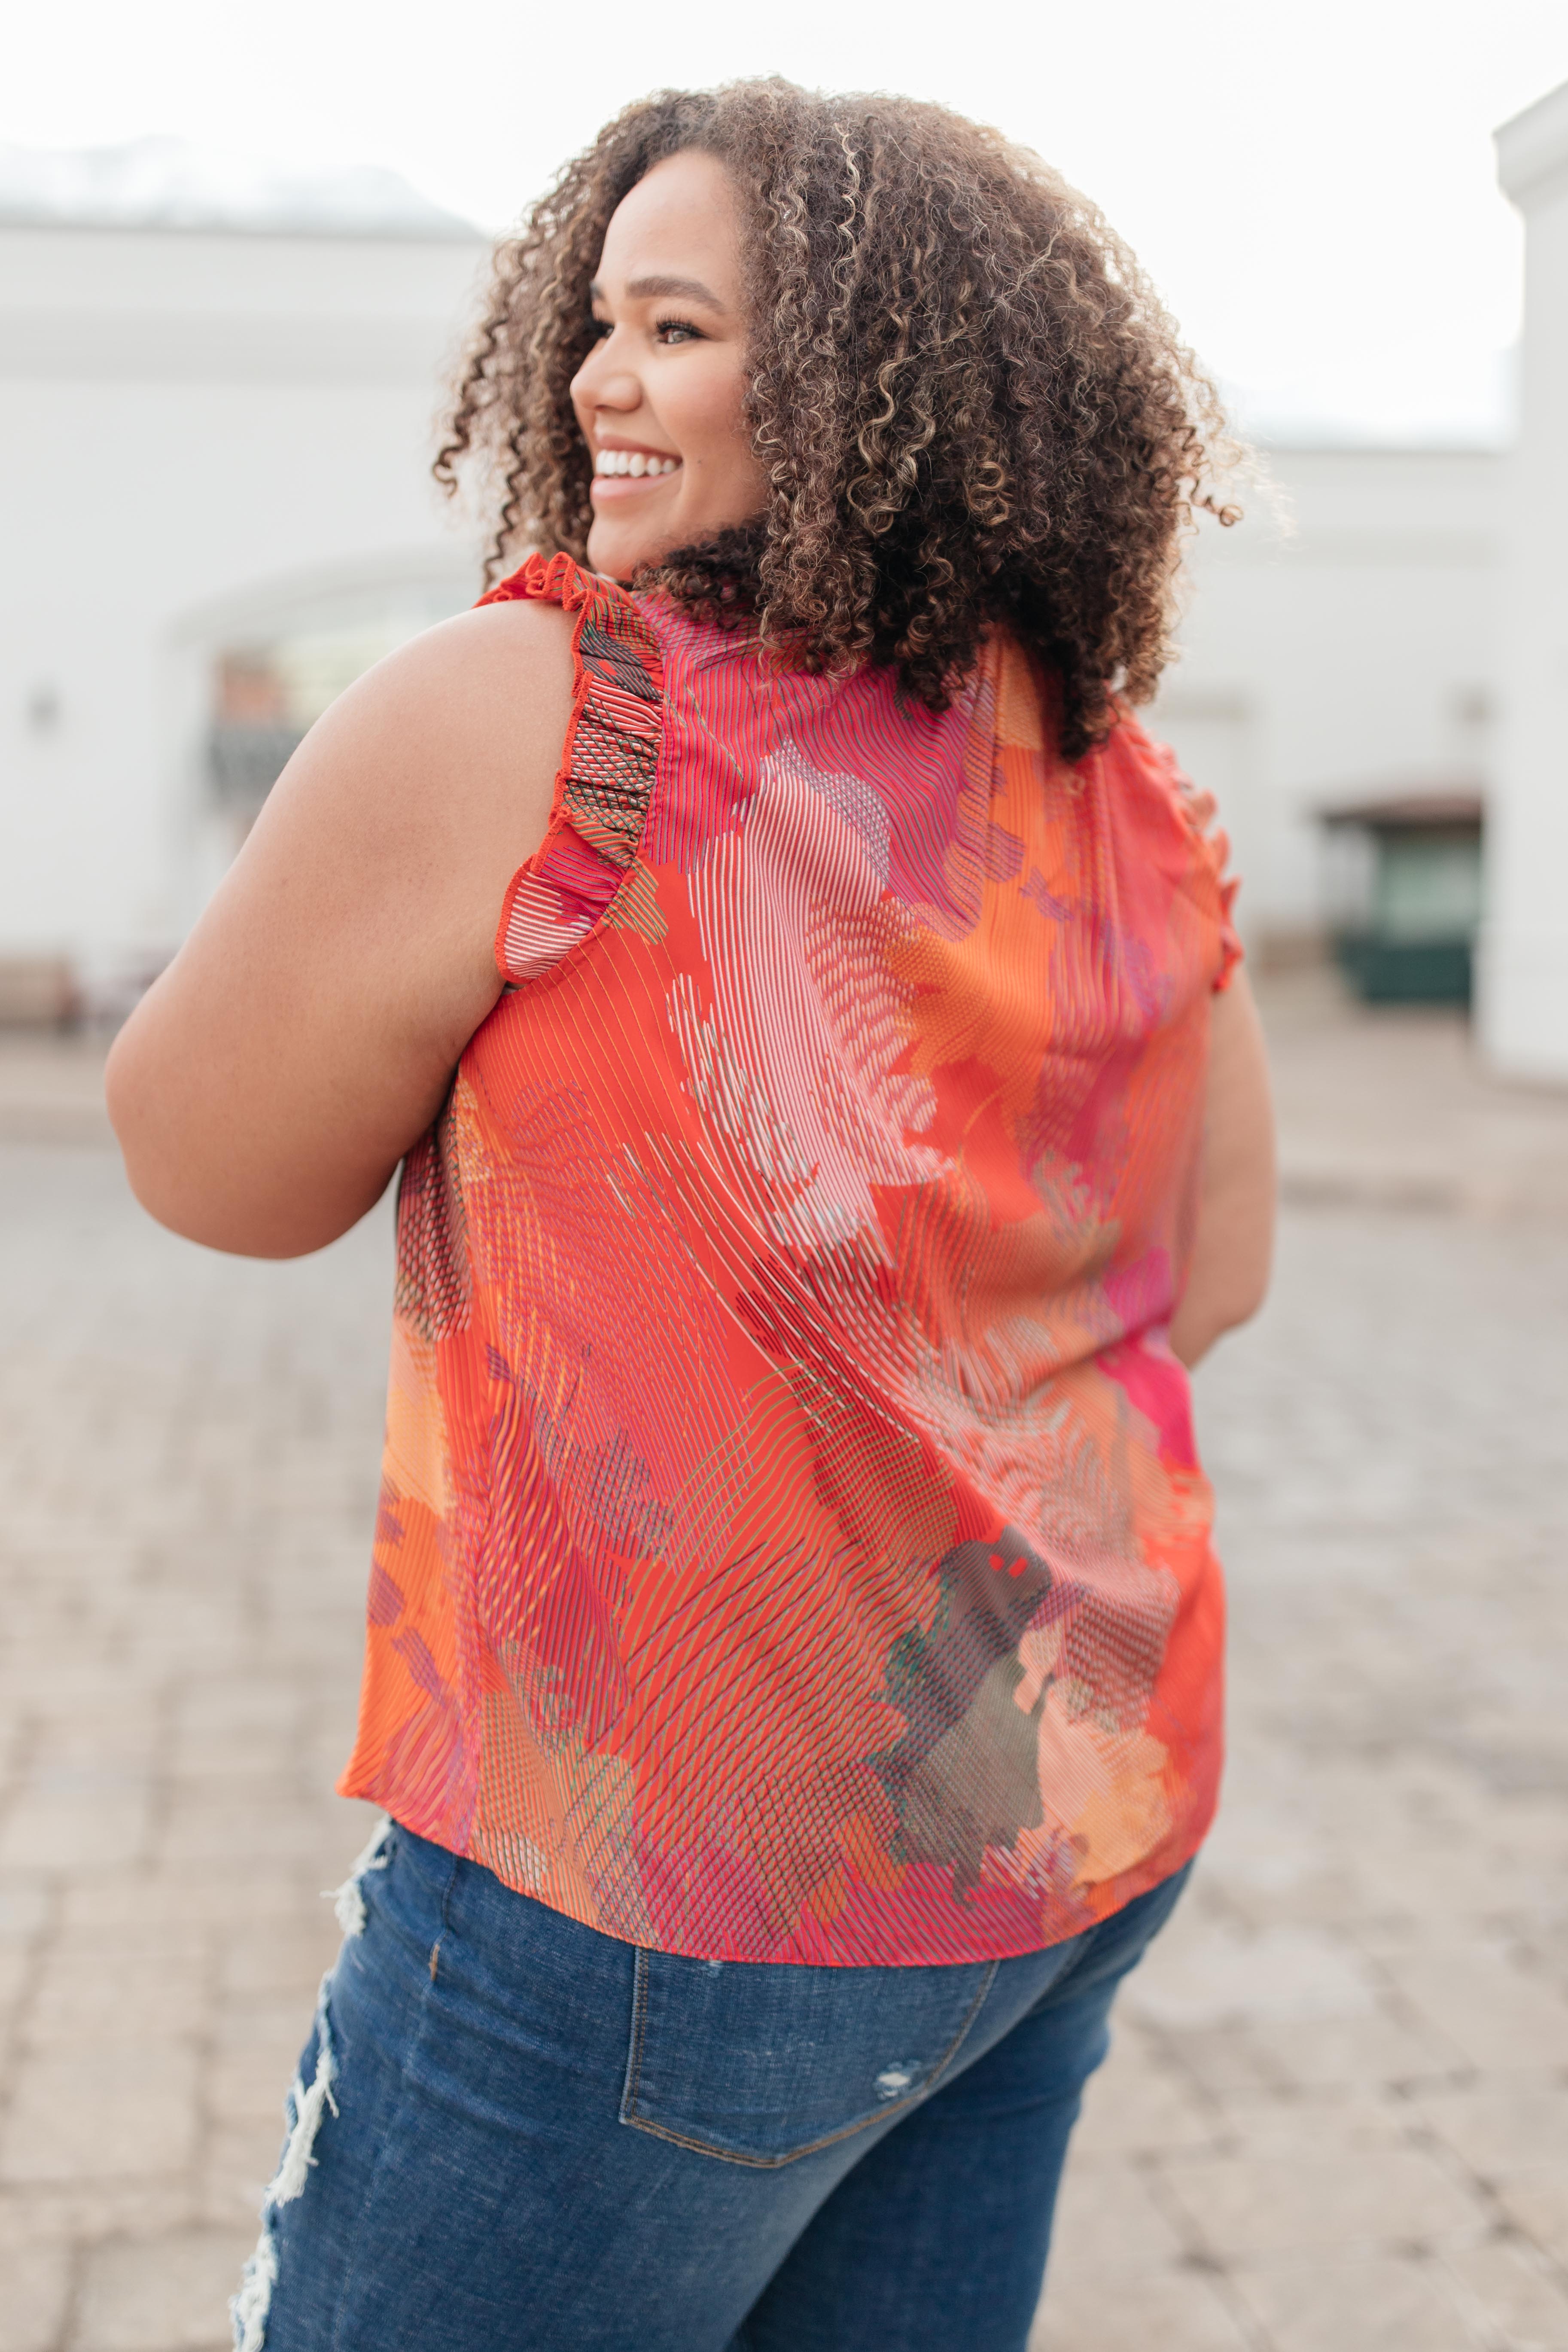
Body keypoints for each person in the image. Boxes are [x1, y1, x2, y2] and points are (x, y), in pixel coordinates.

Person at [107, 78, 1275, 2352]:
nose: (593, 384)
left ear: (864, 388)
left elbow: (204, 1166)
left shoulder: (542, 713)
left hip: (663, 1878)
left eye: (673, 329)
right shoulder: (1119, 780)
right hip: (1074, 1806)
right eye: (596, 322)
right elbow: (1204, 1276)